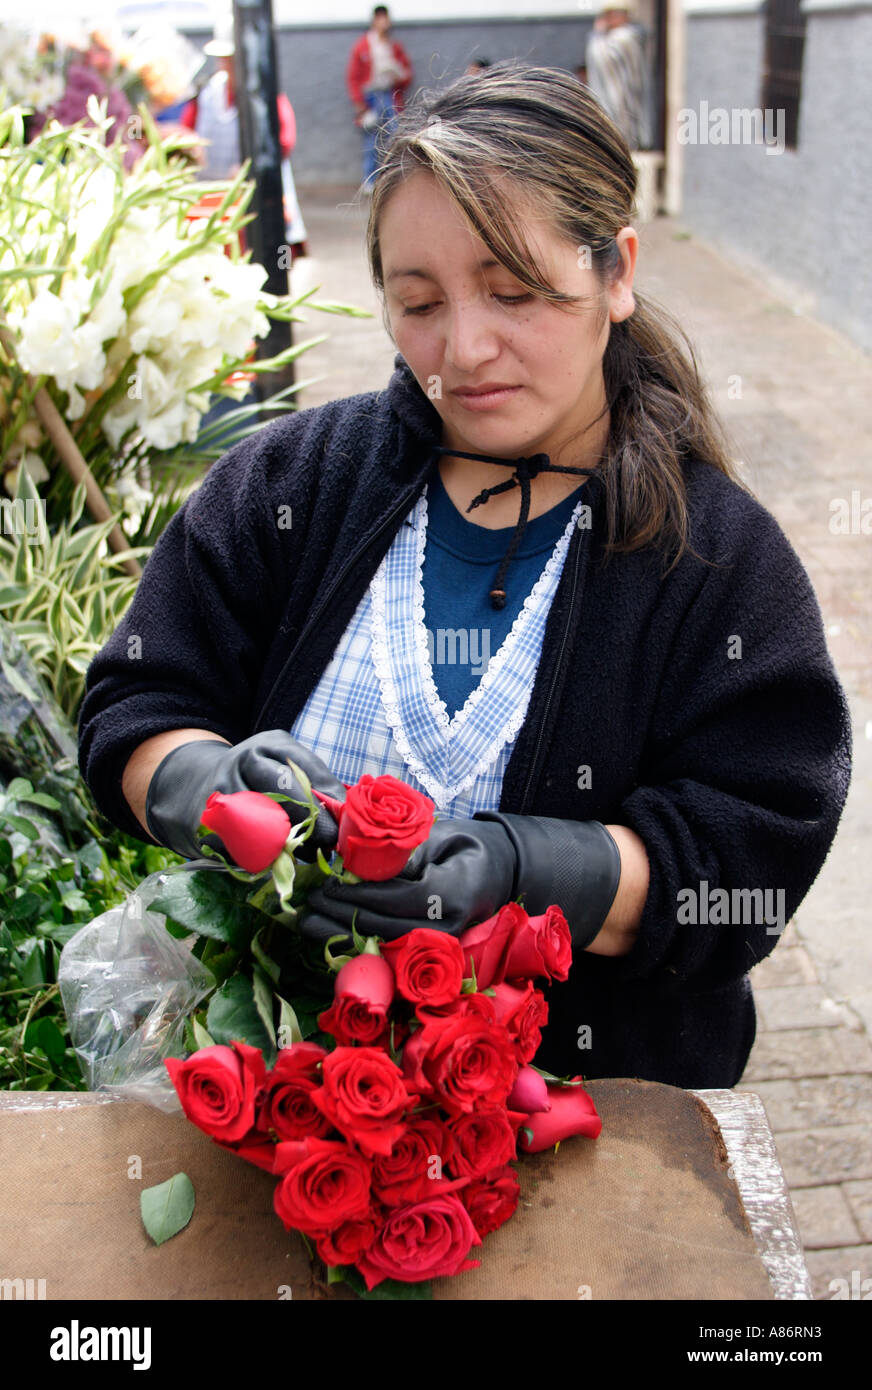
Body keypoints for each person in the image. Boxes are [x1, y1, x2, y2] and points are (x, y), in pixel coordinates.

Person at [78, 62, 851, 1091]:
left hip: (581, 1136)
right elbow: (138, 699)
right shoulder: (291, 485)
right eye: (419, 302)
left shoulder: (715, 563)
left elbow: (747, 855)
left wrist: (528, 871)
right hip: (277, 1108)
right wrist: (205, 787)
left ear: (615, 272)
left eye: (512, 290)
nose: (463, 349)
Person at [181, 19, 307, 257]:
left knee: (261, 256)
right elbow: (186, 130)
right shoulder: (206, 93)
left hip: (253, 199)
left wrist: (251, 168)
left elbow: (284, 139)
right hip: (211, 198)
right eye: (224, 60)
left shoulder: (265, 94)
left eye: (232, 60)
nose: (227, 66)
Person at [347, 4, 412, 191]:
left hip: (390, 95)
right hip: (371, 97)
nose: (384, 22)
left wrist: (398, 75)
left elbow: (407, 74)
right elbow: (353, 76)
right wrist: (359, 102)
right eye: (380, 18)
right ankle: (370, 180)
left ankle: (395, 177)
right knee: (371, 139)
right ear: (374, 20)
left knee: (395, 134)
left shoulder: (393, 47)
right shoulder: (363, 46)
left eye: (386, 18)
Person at [585, 3, 654, 151]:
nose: (608, 19)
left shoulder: (627, 37)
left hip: (624, 96)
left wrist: (597, 36)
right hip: (606, 94)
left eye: (612, 14)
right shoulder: (608, 37)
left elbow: (601, 55)